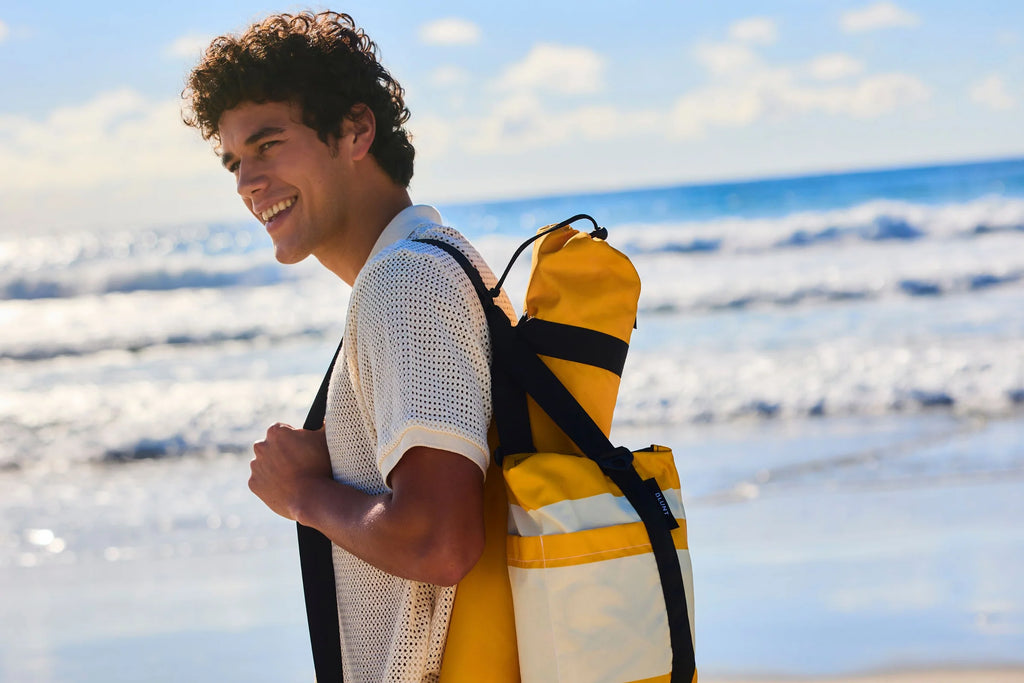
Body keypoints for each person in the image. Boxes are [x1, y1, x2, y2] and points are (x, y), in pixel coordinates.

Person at [183, 11, 515, 682]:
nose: (247, 182)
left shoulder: (407, 283)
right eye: (235, 162)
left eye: (269, 144)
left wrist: (302, 492)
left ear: (356, 130)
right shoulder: (434, 264)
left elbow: (440, 539)